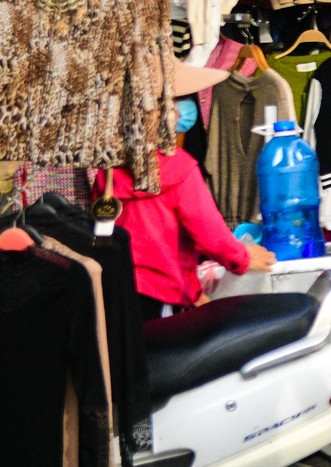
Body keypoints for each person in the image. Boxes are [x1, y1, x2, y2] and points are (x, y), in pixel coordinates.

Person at [97, 60, 275, 318]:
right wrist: (244, 258)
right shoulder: (179, 169)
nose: (180, 112)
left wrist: (192, 292)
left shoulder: (109, 168)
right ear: (156, 112)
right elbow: (209, 233)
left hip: (116, 291)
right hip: (159, 296)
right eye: (175, 102)